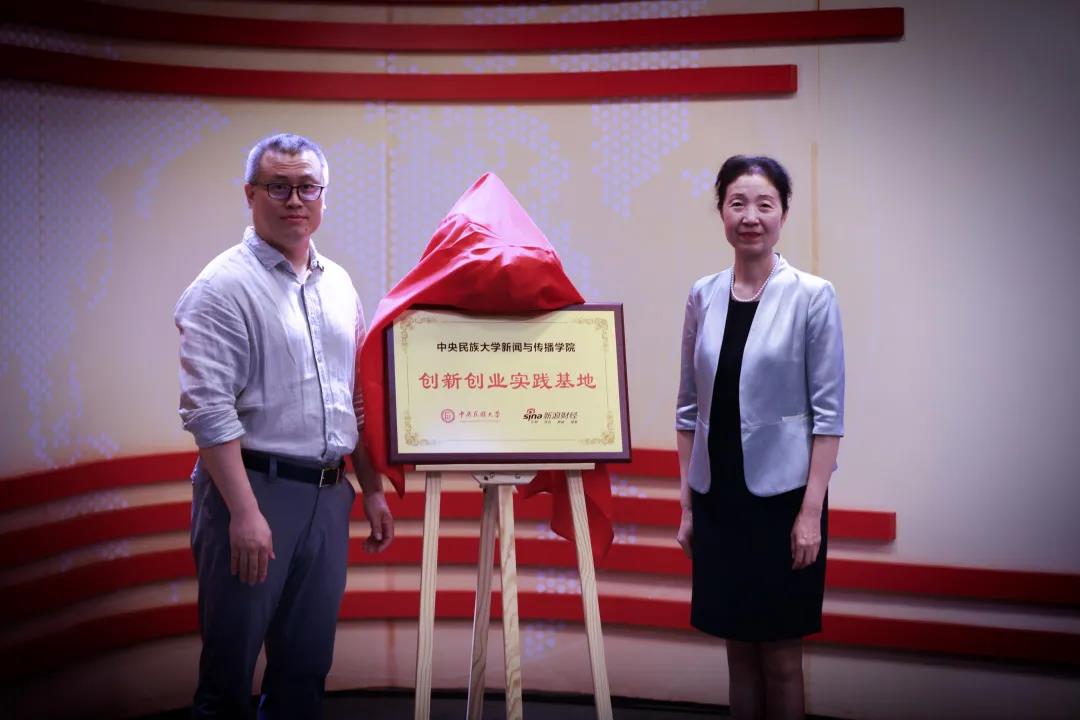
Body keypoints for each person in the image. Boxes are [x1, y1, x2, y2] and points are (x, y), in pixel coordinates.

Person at [175, 133, 394, 719]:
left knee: (304, 672)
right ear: (250, 194)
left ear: (323, 196)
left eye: (307, 187)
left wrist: (371, 489)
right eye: (278, 187)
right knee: (228, 677)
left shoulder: (339, 284)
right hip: (251, 494)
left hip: (329, 496)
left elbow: (354, 397)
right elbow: (208, 411)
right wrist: (245, 514)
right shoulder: (222, 287)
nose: (295, 200)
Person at [675, 155, 844, 719]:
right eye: (737, 203)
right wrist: (688, 505)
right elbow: (687, 410)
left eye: (764, 204)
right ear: (722, 211)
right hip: (718, 499)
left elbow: (829, 418)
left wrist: (811, 513)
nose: (750, 216)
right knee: (738, 652)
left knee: (781, 657)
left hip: (784, 504)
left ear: (783, 214)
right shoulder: (703, 294)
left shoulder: (812, 296)